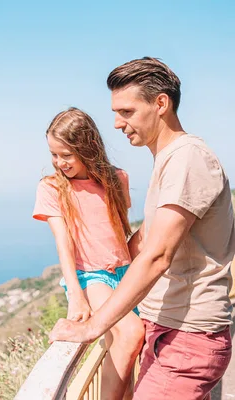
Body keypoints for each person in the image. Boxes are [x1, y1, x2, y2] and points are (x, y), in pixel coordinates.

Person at [49, 57, 235, 399]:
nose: (117, 123)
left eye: (127, 112)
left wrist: (93, 326)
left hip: (186, 337)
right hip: (169, 332)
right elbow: (144, 241)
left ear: (160, 103)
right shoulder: (168, 160)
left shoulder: (187, 158)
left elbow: (156, 255)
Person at [33, 107, 144, 399]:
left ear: (87, 148)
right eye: (54, 155)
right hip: (90, 276)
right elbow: (64, 243)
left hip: (125, 272)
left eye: (66, 155)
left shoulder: (117, 179)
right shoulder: (52, 188)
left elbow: (121, 233)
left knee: (125, 353)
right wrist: (75, 294)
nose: (59, 162)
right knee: (132, 333)